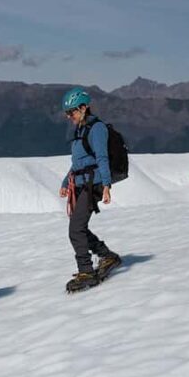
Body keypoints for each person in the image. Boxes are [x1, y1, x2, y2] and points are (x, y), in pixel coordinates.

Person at [59, 87, 122, 293]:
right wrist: (64, 182)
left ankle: (86, 271)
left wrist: (106, 185)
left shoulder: (97, 129)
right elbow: (78, 161)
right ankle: (106, 254)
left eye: (72, 112)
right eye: (68, 113)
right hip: (79, 183)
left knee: (75, 229)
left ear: (84, 107)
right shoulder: (81, 128)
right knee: (79, 227)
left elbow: (102, 157)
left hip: (91, 184)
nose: (70, 116)